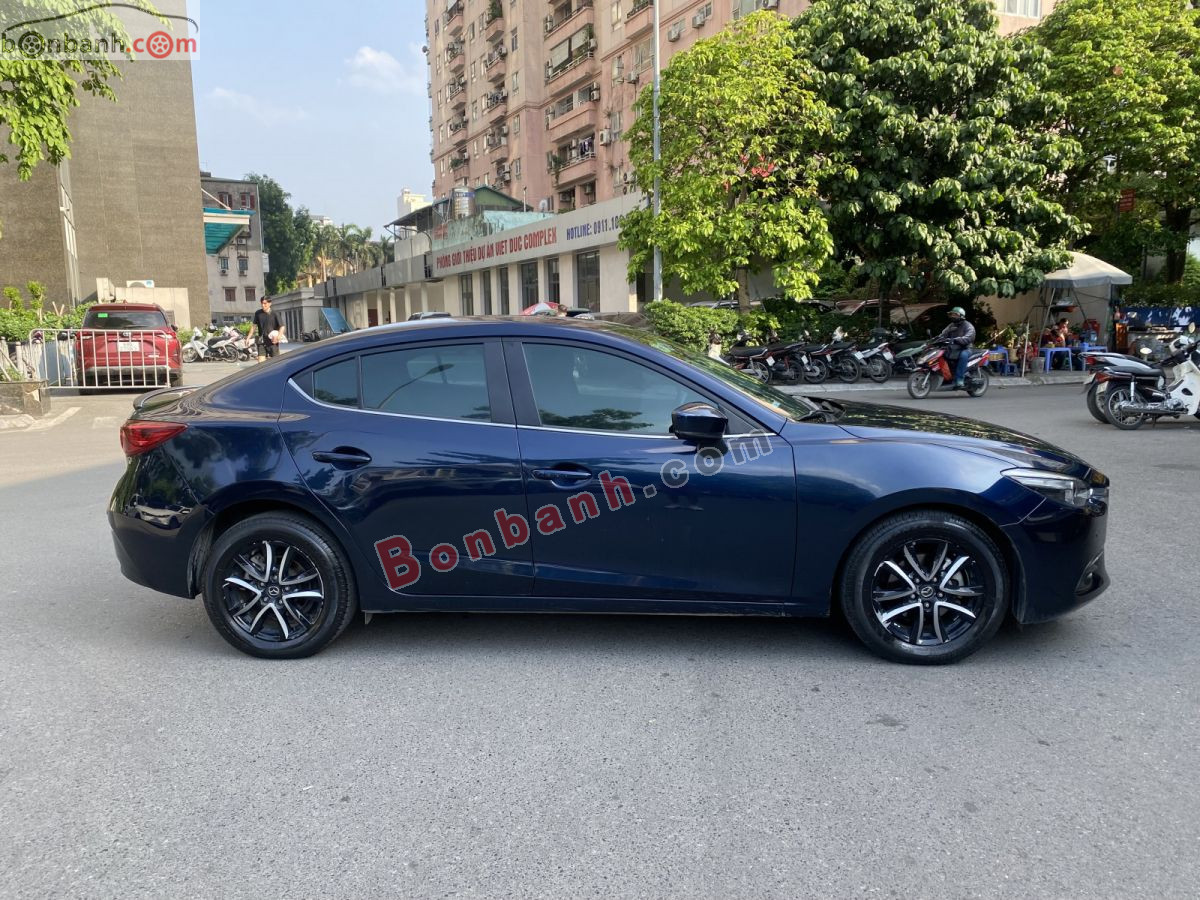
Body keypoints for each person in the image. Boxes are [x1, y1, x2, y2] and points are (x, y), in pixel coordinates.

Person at [937, 306, 976, 389]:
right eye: (952, 314)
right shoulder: (951, 325)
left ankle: (960, 379)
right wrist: (937, 339)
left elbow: (968, 338)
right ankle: (947, 377)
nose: (953, 316)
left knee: (963, 355)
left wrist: (956, 340)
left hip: (966, 348)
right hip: (953, 348)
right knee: (941, 354)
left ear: (961, 316)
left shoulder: (968, 326)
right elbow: (943, 334)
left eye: (955, 315)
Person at [249, 296, 285, 361]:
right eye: (262, 303)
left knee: (275, 362)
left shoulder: (275, 314)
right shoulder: (258, 313)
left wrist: (278, 337)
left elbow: (282, 326)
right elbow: (254, 326)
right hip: (261, 341)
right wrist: (248, 337)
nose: (263, 305)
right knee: (261, 362)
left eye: (265, 303)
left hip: (272, 341)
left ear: (270, 303)